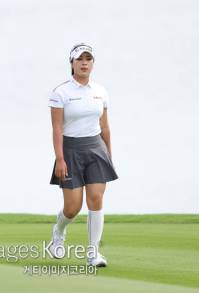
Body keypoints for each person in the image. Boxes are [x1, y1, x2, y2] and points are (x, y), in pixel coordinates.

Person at [48, 43, 118, 267]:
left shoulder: (100, 91)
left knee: (96, 199)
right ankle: (58, 233)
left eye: (88, 59)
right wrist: (60, 159)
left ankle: (93, 253)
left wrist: (109, 154)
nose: (85, 63)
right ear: (72, 63)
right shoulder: (61, 92)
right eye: (80, 59)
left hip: (96, 149)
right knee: (73, 207)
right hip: (70, 150)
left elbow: (105, 127)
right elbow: (57, 128)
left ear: (93, 63)